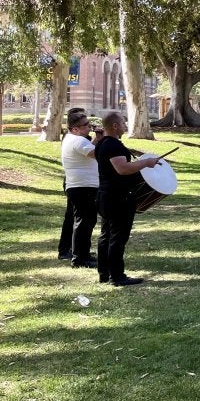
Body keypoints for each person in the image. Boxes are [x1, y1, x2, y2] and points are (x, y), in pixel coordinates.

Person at [94, 111, 159, 286]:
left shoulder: (102, 144)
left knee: (106, 235)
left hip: (106, 196)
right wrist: (145, 163)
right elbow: (122, 169)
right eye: (123, 123)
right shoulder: (113, 145)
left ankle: (105, 273)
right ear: (114, 126)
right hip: (117, 198)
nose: (125, 126)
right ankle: (117, 276)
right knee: (117, 237)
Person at [61, 109, 99, 268]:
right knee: (84, 222)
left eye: (89, 124)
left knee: (84, 221)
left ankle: (82, 254)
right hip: (83, 186)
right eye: (85, 125)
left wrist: (98, 139)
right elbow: (99, 154)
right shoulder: (78, 141)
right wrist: (107, 139)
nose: (89, 127)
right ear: (75, 128)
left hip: (80, 185)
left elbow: (90, 150)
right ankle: (80, 258)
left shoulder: (73, 139)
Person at [57, 106, 88, 261]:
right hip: (73, 181)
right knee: (72, 217)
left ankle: (74, 249)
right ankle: (65, 250)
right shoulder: (72, 138)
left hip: (74, 180)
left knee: (74, 217)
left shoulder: (79, 137)